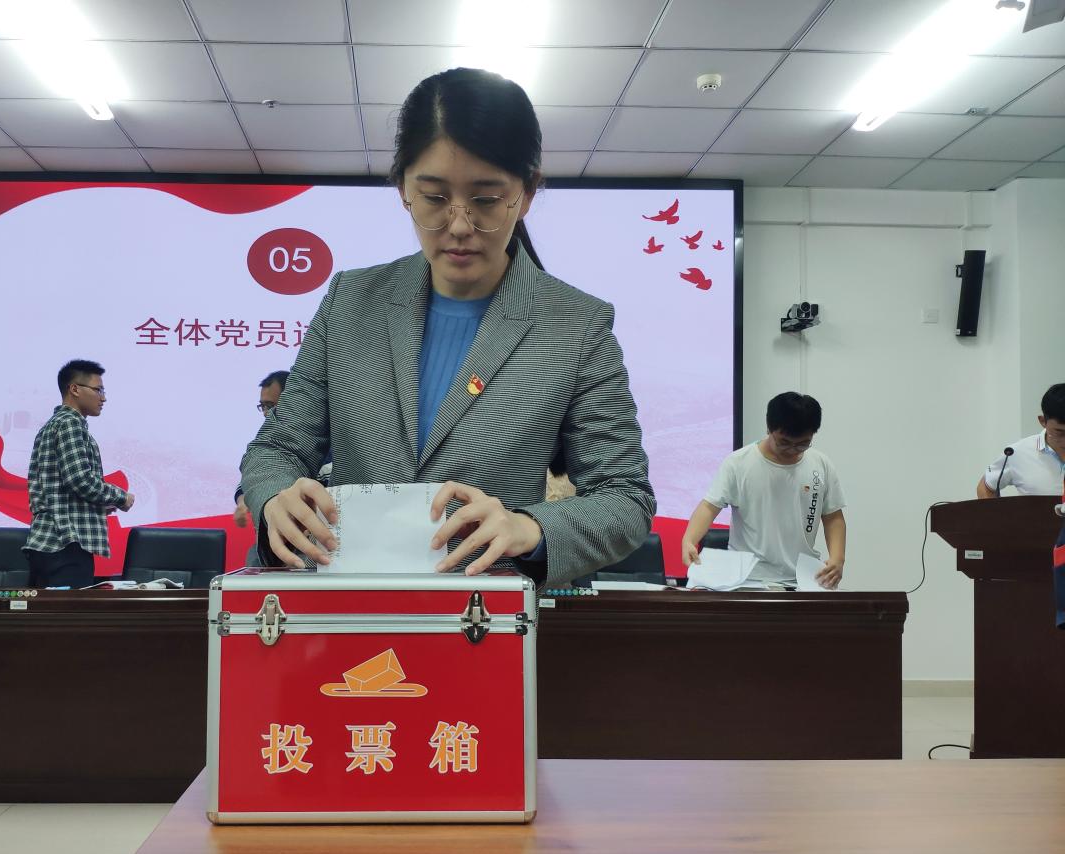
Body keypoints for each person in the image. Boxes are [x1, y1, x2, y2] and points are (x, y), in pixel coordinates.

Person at [239, 67, 655, 587]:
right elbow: (277, 447)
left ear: (527, 193)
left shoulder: (575, 325)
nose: (459, 225)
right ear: (403, 190)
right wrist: (273, 497)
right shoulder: (350, 301)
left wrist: (528, 528)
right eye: (434, 198)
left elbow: (624, 498)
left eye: (486, 200)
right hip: (348, 605)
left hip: (485, 614)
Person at [681, 392, 846, 588]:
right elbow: (709, 507)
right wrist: (689, 540)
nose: (792, 449)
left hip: (802, 578)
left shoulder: (820, 464)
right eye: (784, 442)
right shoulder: (738, 463)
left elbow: (833, 517)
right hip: (748, 579)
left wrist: (837, 559)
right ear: (769, 428)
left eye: (802, 444)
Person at [24, 359, 133, 588]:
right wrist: (121, 497)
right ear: (74, 389)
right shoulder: (69, 424)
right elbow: (80, 480)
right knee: (69, 611)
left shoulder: (54, 424)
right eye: (98, 390)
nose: (103, 398)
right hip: (65, 544)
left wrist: (98, 505)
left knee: (50, 611)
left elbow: (61, 487)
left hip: (50, 543)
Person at [976, 383, 1065, 498]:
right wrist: (994, 510)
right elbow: (985, 487)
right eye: (1059, 432)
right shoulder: (1016, 453)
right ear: (1042, 421)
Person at [233, 371, 289, 530]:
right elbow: (249, 480)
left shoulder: (322, 437)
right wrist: (243, 502)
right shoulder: (264, 441)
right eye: (263, 406)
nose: (265, 413)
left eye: (270, 405)